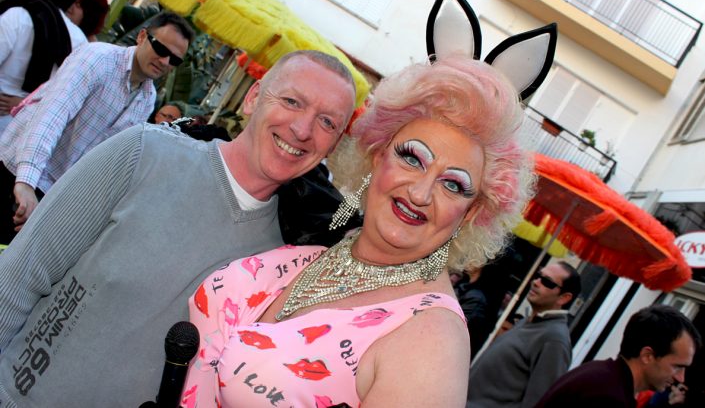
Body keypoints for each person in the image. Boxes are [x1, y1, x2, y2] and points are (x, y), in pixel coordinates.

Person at [0, 50, 357, 406]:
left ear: (334, 144)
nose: (302, 130)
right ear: (253, 98)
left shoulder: (285, 257)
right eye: (292, 101)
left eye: (327, 122)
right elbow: (21, 274)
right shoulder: (144, 153)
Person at [178, 56, 535, 407]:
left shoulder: (431, 339)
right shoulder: (312, 249)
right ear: (378, 156)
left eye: (453, 185)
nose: (420, 193)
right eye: (412, 159)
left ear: (471, 213)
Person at [0, 11, 193, 243]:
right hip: (17, 169)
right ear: (142, 36)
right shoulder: (98, 59)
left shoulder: (147, 98)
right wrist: (26, 181)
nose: (165, 62)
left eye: (175, 60)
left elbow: (106, 158)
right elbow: (52, 115)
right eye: (160, 49)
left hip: (50, 194)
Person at [535, 304, 702, 408]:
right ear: (647, 356)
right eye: (677, 366)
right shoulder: (607, 395)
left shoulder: (602, 375)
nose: (681, 378)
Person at [467, 261, 582, 408]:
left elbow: (538, 401)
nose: (536, 282)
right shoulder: (528, 321)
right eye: (538, 275)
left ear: (564, 298)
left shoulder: (554, 339)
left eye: (547, 282)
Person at [0, 0, 86, 132]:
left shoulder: (18, 16)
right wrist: (26, 103)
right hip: (28, 128)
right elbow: (67, 92)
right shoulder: (79, 40)